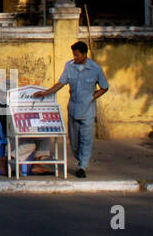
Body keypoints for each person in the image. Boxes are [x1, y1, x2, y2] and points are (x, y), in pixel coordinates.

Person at [34, 41, 109, 177]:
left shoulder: (95, 68)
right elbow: (61, 83)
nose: (75, 57)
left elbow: (104, 87)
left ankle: (82, 166)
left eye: (77, 55)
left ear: (85, 54)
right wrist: (45, 93)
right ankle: (80, 158)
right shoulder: (69, 66)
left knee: (86, 139)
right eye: (74, 55)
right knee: (74, 140)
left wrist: (92, 97)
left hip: (87, 111)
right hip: (73, 108)